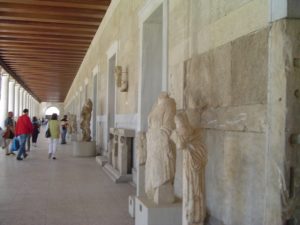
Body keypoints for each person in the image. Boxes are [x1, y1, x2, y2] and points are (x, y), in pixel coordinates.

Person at [145, 92, 176, 204]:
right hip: (153, 143)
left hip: (161, 144)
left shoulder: (169, 104)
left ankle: (162, 187)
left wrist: (157, 135)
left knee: (161, 175)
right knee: (153, 172)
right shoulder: (156, 105)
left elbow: (169, 128)